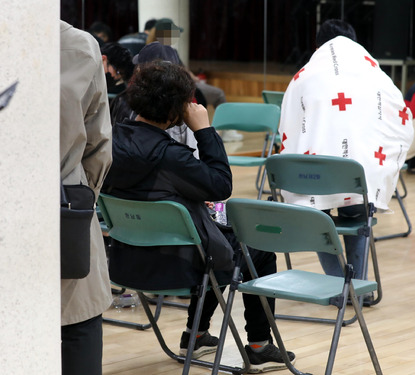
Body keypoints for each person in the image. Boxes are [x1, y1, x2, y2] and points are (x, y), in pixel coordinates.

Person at [103, 61, 295, 373]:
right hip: (177, 266)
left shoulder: (108, 142)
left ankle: (198, 334)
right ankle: (259, 345)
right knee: (255, 251)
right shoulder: (170, 157)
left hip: (126, 263)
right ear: (178, 110)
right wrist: (204, 130)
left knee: (214, 241)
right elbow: (221, 186)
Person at [278, 19, 414, 282]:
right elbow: (402, 118)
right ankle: (357, 285)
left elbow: (287, 127)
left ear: (317, 45)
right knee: (359, 216)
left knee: (317, 219)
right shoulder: (376, 75)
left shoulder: (303, 77)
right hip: (360, 175)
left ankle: (337, 282)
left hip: (315, 179)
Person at [60, 20, 113, 375]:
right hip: (64, 202)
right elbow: (99, 144)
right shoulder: (78, 45)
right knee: (78, 317)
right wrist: (81, 199)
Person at [146, 17, 242, 142]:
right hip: (179, 88)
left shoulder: (149, 50)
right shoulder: (168, 51)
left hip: (165, 89)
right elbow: (182, 72)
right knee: (219, 94)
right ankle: (228, 130)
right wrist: (195, 79)